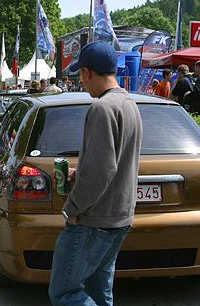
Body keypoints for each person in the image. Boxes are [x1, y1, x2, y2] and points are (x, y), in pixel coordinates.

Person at [49, 41, 143, 306]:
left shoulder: (102, 108)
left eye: (81, 74)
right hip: (120, 216)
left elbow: (102, 171)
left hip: (94, 219)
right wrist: (83, 171)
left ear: (89, 72)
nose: (81, 81)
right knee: (99, 290)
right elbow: (115, 160)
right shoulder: (129, 103)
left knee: (65, 292)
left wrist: (74, 208)